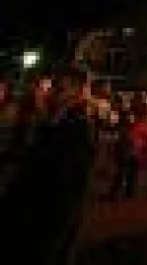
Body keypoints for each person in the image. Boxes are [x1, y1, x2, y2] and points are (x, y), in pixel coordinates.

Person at [0, 66, 96, 264]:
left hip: (44, 220)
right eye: (54, 87)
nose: (51, 92)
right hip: (27, 213)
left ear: (77, 94)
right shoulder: (49, 122)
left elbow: (70, 185)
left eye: (60, 89)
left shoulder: (77, 130)